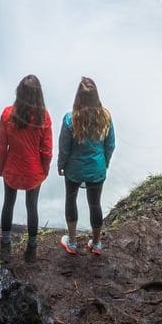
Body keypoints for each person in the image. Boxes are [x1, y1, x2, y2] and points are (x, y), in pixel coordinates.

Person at [0, 74, 52, 263]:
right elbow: (47, 150)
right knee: (32, 207)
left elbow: (1, 147)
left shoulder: (7, 114)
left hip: (11, 169)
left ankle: (5, 249)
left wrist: (0, 168)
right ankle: (31, 251)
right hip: (34, 172)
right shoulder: (44, 117)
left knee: (8, 204)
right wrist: (44, 171)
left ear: (19, 93)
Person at [58, 76, 116, 256]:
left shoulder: (70, 119)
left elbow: (64, 147)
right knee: (95, 204)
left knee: (70, 200)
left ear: (78, 97)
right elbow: (110, 144)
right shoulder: (105, 117)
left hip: (74, 169)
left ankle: (73, 242)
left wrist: (61, 164)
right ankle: (97, 243)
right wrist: (104, 162)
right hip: (96, 168)